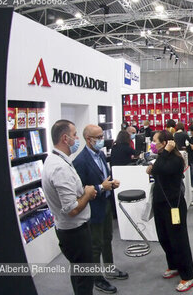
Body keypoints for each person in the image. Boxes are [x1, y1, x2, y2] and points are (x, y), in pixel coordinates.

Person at [41, 120, 97, 295]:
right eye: (74, 135)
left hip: (70, 230)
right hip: (75, 232)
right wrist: (87, 194)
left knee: (79, 272)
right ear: (65, 138)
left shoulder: (57, 161)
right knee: (85, 278)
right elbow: (72, 209)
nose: (77, 139)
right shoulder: (59, 168)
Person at [72, 124, 126, 293]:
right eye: (99, 137)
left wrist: (111, 183)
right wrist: (101, 187)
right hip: (93, 208)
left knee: (107, 238)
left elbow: (104, 177)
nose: (102, 140)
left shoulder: (101, 154)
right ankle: (97, 278)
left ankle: (109, 269)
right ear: (89, 140)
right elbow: (80, 189)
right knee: (95, 244)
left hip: (106, 204)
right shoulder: (80, 161)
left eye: (102, 136)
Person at [146, 131, 193, 292]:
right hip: (160, 203)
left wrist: (167, 151)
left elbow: (159, 169)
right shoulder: (162, 158)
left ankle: (189, 276)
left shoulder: (176, 159)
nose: (153, 144)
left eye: (155, 141)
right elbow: (154, 169)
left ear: (165, 143)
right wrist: (156, 163)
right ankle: (174, 265)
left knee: (178, 240)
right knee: (164, 237)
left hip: (173, 205)